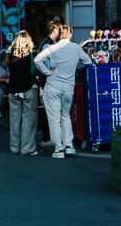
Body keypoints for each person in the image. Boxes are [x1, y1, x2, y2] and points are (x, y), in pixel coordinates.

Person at [34, 25, 93, 159]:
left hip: (53, 85)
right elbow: (88, 61)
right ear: (70, 34)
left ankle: (58, 148)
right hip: (68, 87)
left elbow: (37, 60)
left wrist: (47, 72)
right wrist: (75, 67)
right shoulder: (76, 48)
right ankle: (69, 145)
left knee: (54, 119)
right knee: (65, 116)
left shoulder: (53, 47)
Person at [7, 32, 40, 156]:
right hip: (28, 88)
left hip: (13, 89)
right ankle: (27, 147)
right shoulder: (31, 55)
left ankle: (14, 147)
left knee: (15, 119)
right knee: (29, 119)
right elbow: (34, 71)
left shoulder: (10, 56)